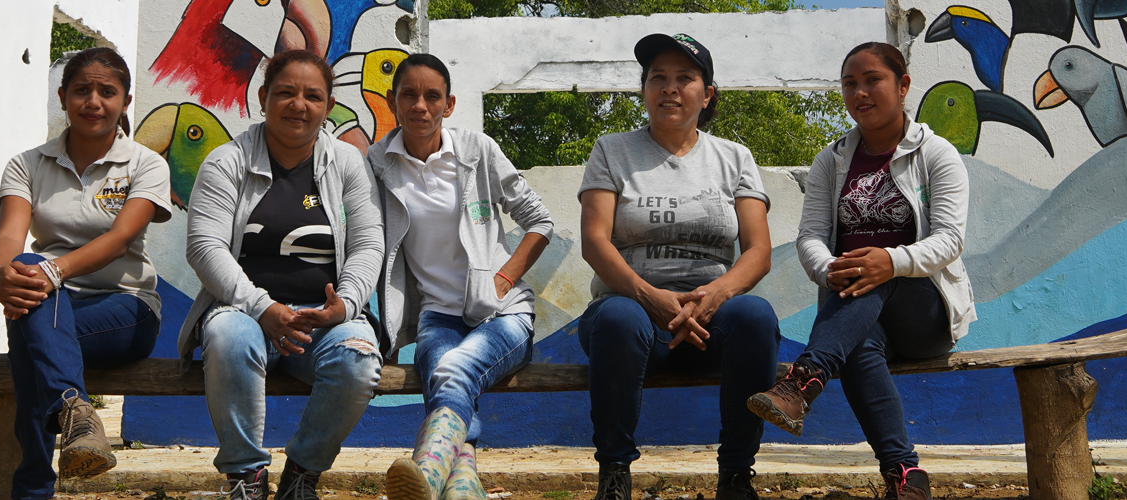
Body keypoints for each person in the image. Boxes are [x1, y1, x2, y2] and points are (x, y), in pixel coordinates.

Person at [745, 42, 977, 500]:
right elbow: (809, 236)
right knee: (858, 342)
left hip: (922, 312)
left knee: (876, 274)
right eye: (850, 83)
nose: (860, 92)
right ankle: (906, 477)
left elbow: (950, 240)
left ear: (903, 85)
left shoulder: (937, 154)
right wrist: (828, 268)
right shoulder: (831, 161)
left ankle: (805, 378)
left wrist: (888, 261)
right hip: (856, 321)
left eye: (873, 80)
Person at [577, 33, 781, 500]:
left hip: (712, 320)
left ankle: (735, 475)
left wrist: (716, 297)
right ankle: (614, 474)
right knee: (616, 318)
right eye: (657, 78)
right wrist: (649, 297)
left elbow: (758, 251)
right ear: (645, 90)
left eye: (684, 79)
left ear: (707, 93)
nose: (669, 88)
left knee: (755, 317)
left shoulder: (734, 157)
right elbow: (594, 241)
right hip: (632, 312)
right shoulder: (612, 150)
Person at [178, 49, 385, 500]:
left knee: (358, 361)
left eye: (313, 96)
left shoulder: (349, 164)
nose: (299, 104)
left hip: (323, 321)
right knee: (229, 339)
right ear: (263, 97)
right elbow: (204, 247)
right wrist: (263, 308)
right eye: (286, 92)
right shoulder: (225, 162)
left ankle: (302, 476)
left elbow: (370, 244)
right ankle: (246, 477)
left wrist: (345, 305)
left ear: (328, 107)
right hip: (242, 312)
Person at [0, 47, 175, 500]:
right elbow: (10, 236)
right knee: (28, 290)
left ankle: (32, 488)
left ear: (125, 101)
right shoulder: (28, 164)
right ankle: (75, 411)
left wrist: (52, 271)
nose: (93, 101)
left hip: (125, 310)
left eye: (106, 92)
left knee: (30, 326)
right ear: (63, 97)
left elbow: (121, 239)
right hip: (49, 306)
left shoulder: (146, 164)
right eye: (81, 90)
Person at [367, 54, 556, 500]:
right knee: (448, 378)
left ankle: (428, 473)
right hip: (438, 316)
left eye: (432, 96)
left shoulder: (476, 151)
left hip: (502, 316)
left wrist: (505, 279)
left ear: (448, 105)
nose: (420, 106)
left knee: (451, 370)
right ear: (393, 102)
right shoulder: (376, 164)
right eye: (408, 95)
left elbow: (540, 221)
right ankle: (462, 484)